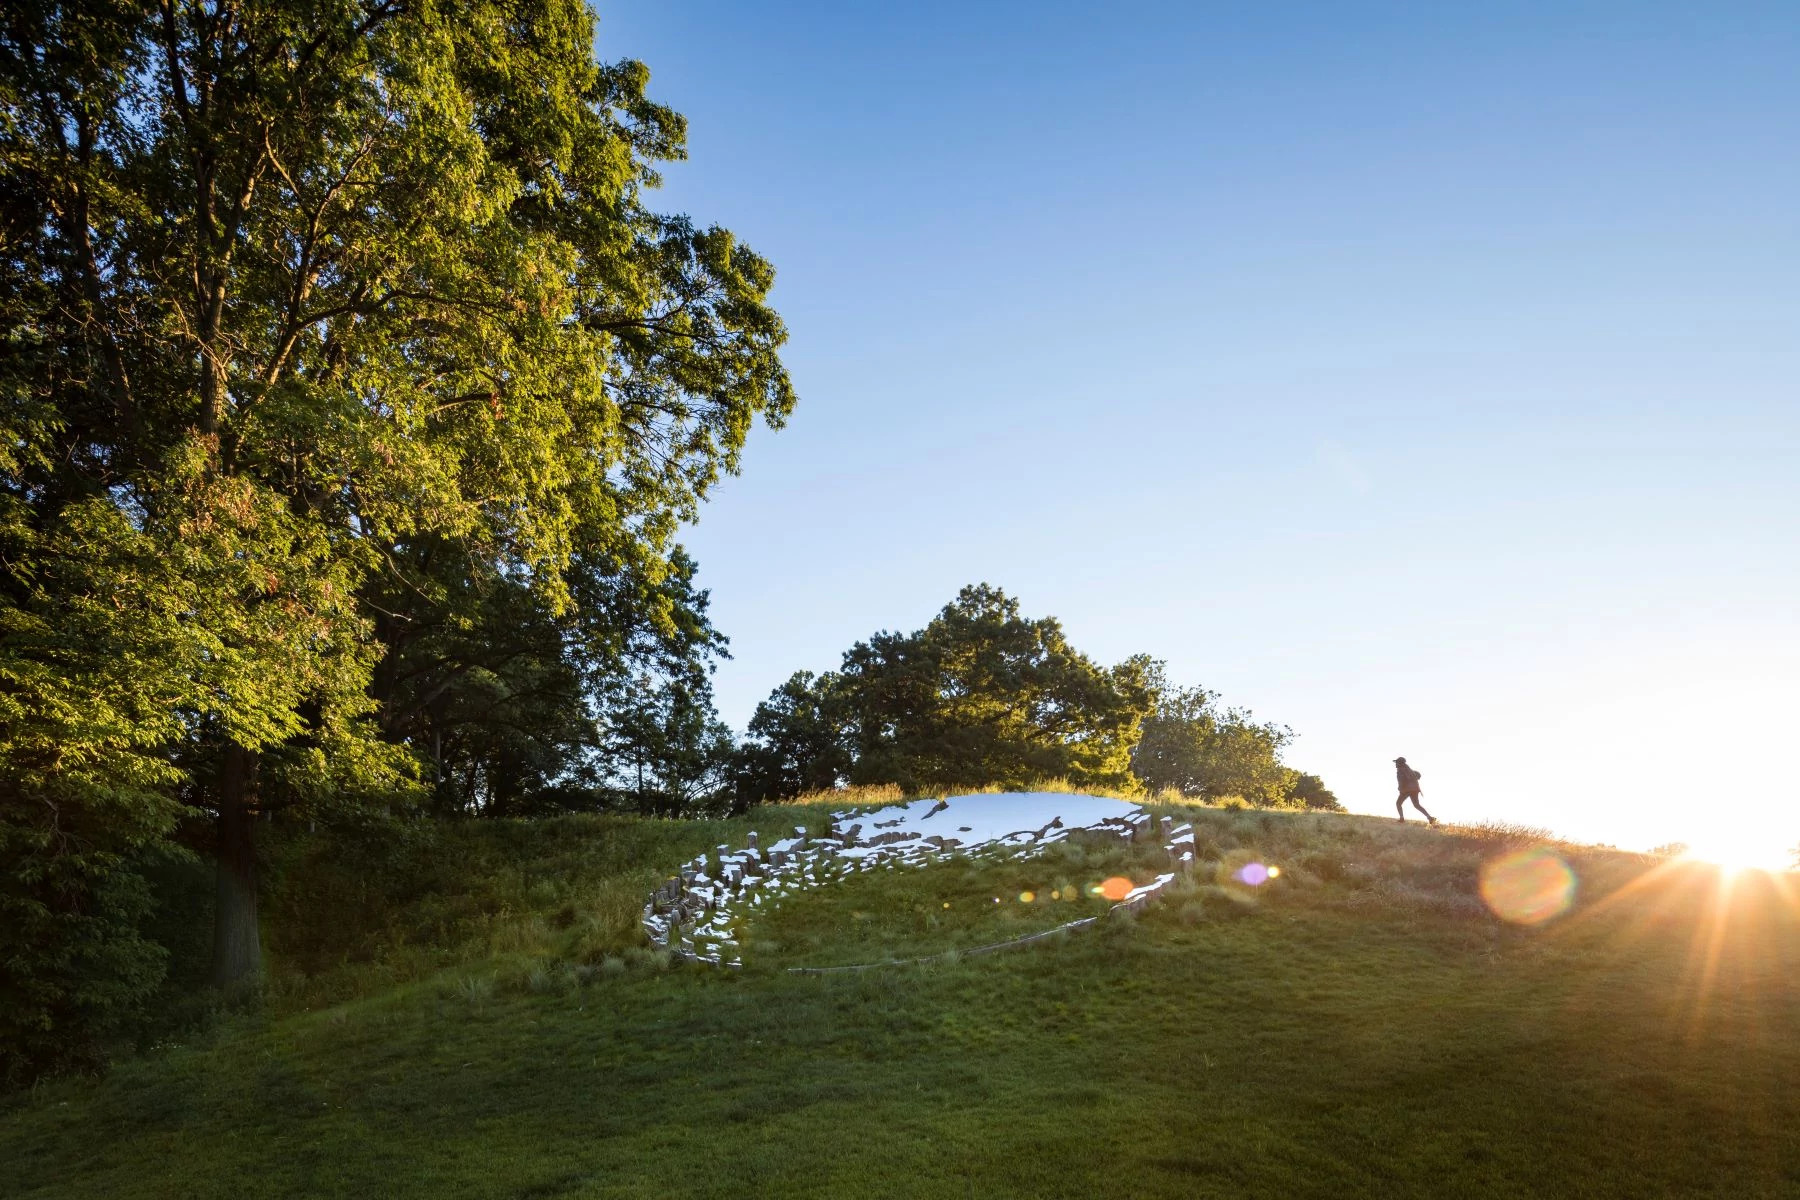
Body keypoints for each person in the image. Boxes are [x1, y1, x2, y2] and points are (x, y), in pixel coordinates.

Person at [1393, 756, 1436, 825]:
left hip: (1407, 789)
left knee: (1398, 803)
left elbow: (1402, 780)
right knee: (1416, 805)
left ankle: (1401, 818)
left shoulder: (1401, 770)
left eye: (1397, 762)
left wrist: (1400, 788)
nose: (1395, 764)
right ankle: (1430, 817)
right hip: (1415, 789)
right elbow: (1417, 775)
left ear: (1400, 763)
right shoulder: (1408, 769)